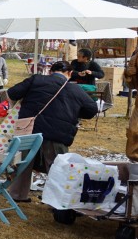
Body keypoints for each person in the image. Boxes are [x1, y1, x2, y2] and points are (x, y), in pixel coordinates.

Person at [5, 60, 98, 202]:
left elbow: (12, 93)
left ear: (50, 71)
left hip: (28, 130)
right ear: (69, 74)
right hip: (57, 134)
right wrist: (74, 112)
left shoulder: (36, 79)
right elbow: (91, 110)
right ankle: (57, 200)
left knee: (23, 163)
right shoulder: (76, 90)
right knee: (57, 168)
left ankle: (17, 195)